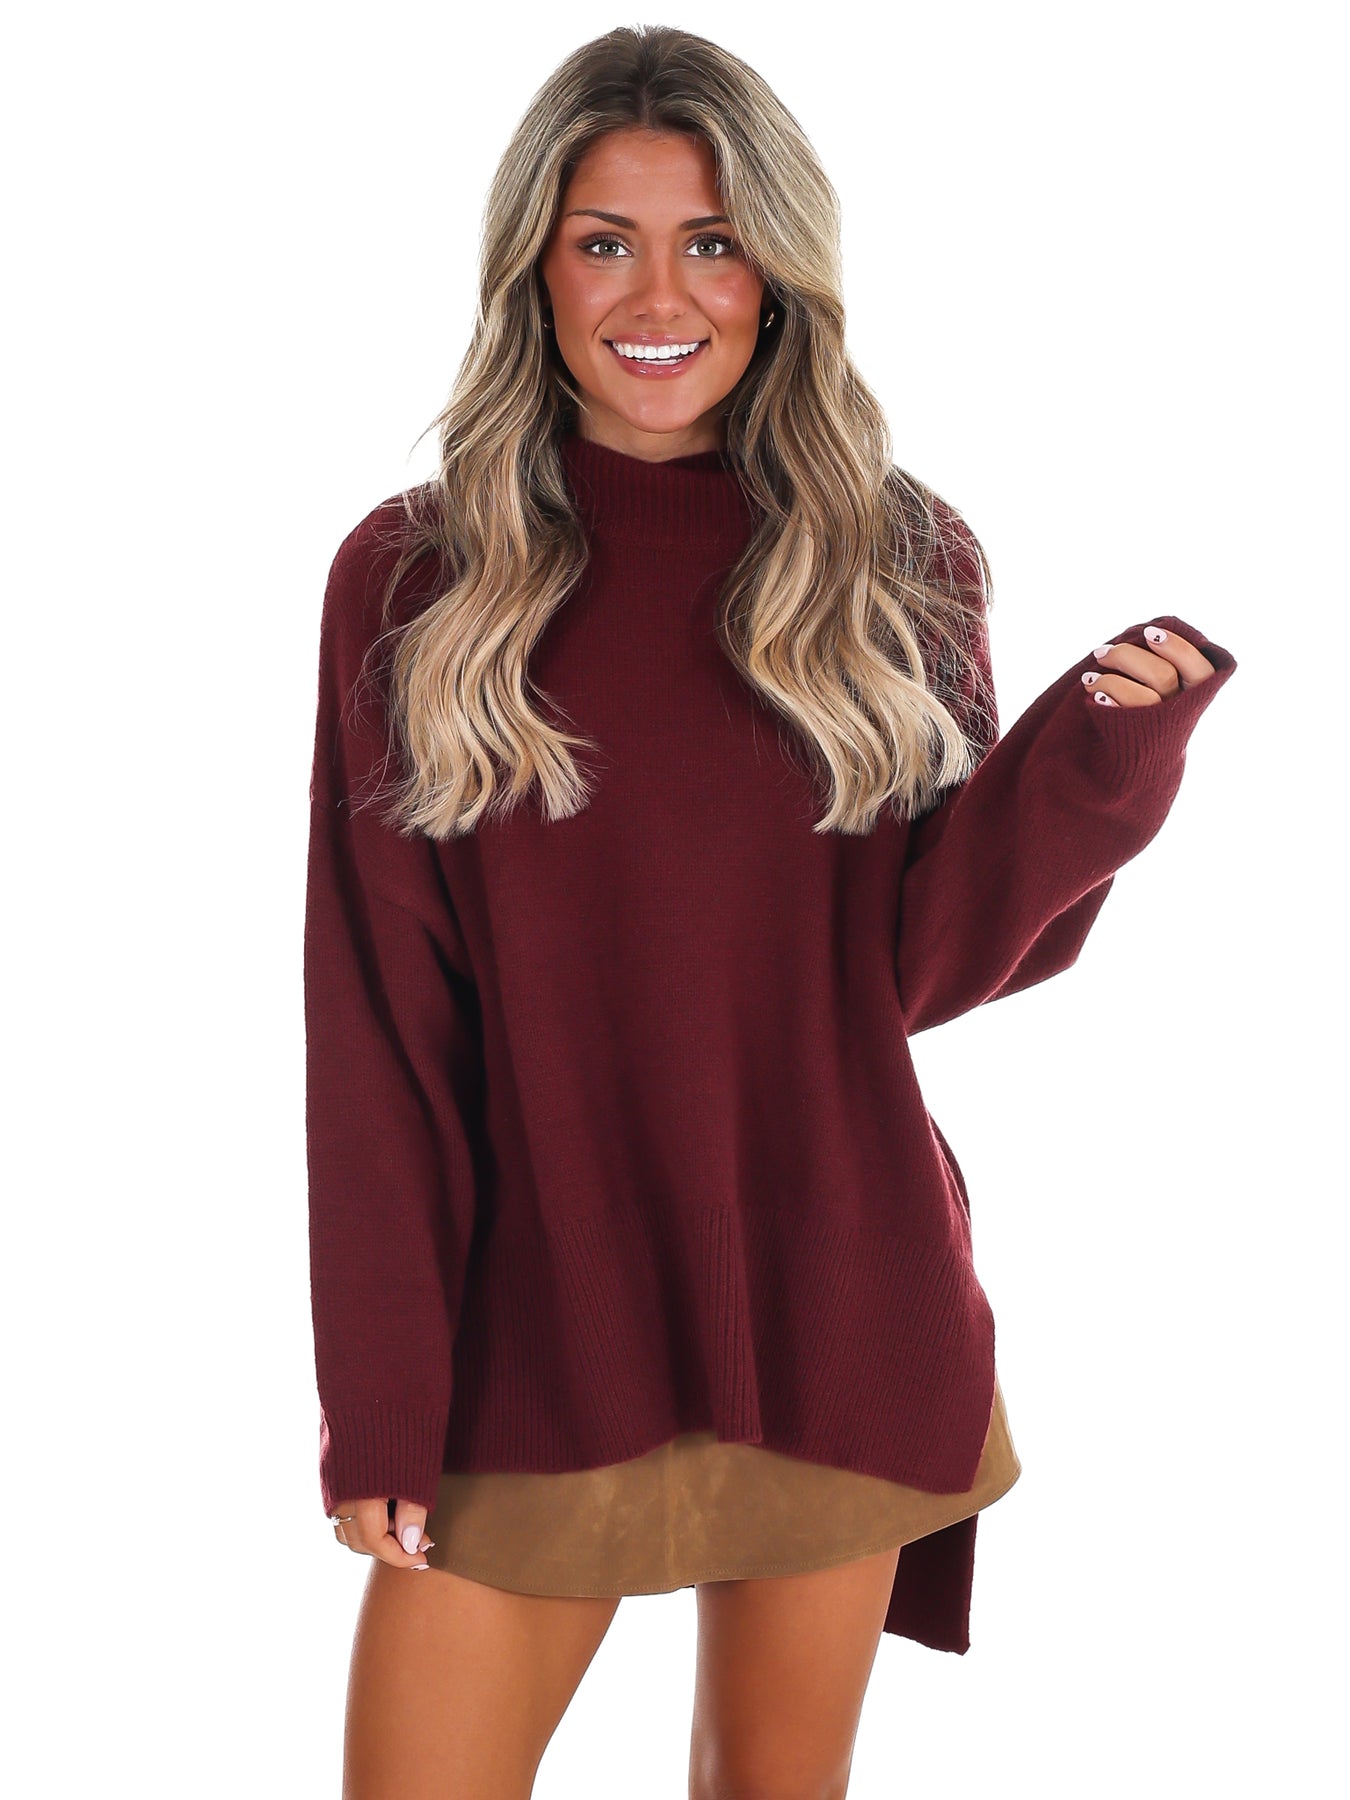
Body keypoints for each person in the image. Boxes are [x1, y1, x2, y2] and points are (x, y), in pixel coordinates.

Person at [303, 24, 1237, 1799]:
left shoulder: (895, 553)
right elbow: (377, 1016)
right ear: (533, 269)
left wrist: (1096, 773)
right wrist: (384, 1389)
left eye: (714, 242)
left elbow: (913, 968)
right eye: (604, 241)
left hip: (834, 1306)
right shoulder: (414, 576)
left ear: (779, 273)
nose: (660, 296)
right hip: (537, 1330)